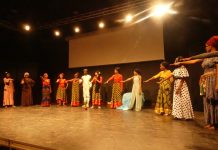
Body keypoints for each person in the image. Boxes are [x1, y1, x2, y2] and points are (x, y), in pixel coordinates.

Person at [172, 36, 218, 129]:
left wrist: (217, 83)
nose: (205, 47)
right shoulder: (206, 56)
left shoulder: (216, 56)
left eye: (207, 45)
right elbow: (195, 61)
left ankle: (216, 123)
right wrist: (183, 62)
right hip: (206, 81)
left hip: (213, 79)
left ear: (212, 45)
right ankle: (210, 122)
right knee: (207, 101)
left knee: (214, 101)